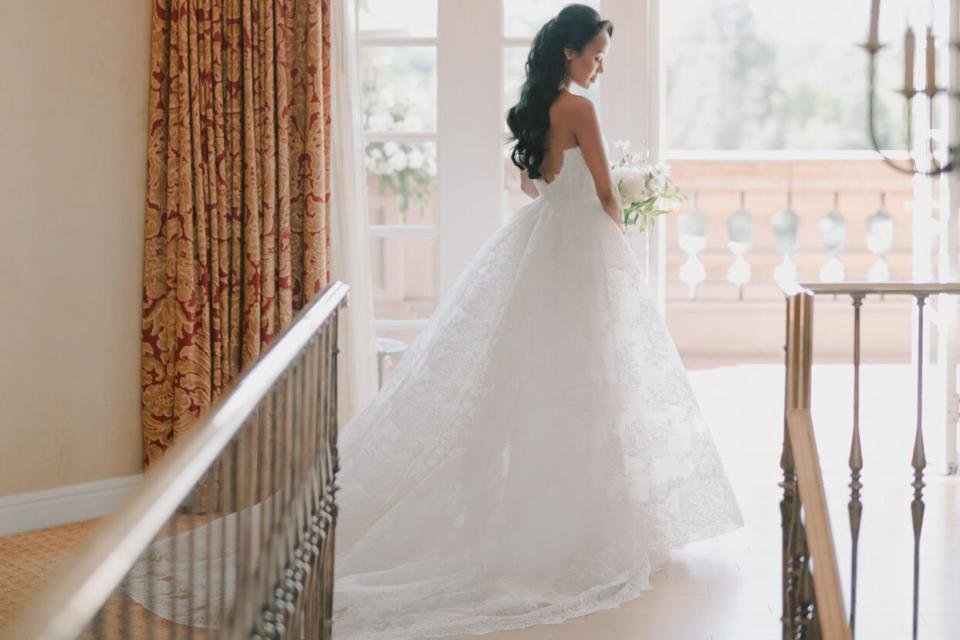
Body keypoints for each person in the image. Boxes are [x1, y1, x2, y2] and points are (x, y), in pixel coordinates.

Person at [332, 4, 743, 638]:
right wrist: (621, 228)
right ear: (570, 52)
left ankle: (550, 517)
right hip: (579, 251)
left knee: (539, 383)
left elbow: (533, 188)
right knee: (591, 381)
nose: (600, 65)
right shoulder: (580, 108)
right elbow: (606, 192)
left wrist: (578, 198)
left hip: (538, 241)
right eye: (596, 54)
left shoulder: (536, 109)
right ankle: (578, 527)